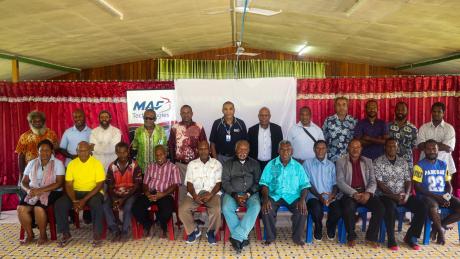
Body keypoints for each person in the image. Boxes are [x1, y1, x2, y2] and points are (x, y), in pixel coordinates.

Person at [374, 138, 427, 250]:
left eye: (394, 146)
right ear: (385, 147)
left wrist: (407, 194)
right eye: (389, 146)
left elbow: (408, 180)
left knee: (422, 207)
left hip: (403, 195)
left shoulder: (403, 162)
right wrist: (394, 196)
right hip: (385, 196)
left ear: (397, 148)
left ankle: (410, 237)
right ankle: (392, 239)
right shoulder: (377, 162)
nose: (392, 148)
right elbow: (379, 183)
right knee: (390, 208)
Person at [54, 141, 105, 247]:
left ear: (90, 151)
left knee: (97, 204)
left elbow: (100, 185)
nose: (82, 153)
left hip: (93, 192)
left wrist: (83, 200)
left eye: (85, 150)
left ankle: (97, 234)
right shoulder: (72, 164)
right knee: (60, 204)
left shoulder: (97, 163)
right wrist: (74, 201)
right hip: (75, 192)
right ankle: (66, 234)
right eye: (80, 151)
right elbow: (68, 184)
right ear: (76, 151)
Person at [260, 140, 310, 246]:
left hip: (293, 196)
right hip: (274, 195)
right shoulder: (271, 164)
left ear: (292, 151)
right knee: (266, 209)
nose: (285, 152)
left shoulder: (298, 166)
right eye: (282, 149)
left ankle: (297, 238)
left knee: (302, 210)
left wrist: (302, 200)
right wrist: (265, 199)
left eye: (288, 150)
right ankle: (270, 237)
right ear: (278, 151)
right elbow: (264, 184)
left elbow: (305, 185)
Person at [336, 139, 384, 248]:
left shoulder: (368, 161)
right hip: (349, 193)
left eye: (358, 147)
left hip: (365, 192)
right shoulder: (341, 161)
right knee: (348, 208)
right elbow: (340, 182)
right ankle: (351, 236)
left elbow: (373, 181)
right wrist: (354, 193)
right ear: (348, 148)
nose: (355, 149)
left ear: (361, 149)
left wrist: (368, 193)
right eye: (352, 147)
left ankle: (371, 237)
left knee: (380, 208)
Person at [17, 139, 64, 245]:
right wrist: (28, 190)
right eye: (41, 150)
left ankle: (43, 235)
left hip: (52, 191)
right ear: (37, 152)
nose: (44, 153)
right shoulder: (32, 163)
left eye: (47, 150)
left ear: (52, 151)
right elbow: (23, 182)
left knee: (38, 208)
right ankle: (30, 235)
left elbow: (59, 183)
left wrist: (40, 190)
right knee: (21, 208)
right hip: (33, 190)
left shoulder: (57, 163)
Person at [413, 139, 460, 245]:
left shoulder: (443, 164)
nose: (431, 151)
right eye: (428, 149)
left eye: (434, 148)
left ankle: (437, 227)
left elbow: (449, 185)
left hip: (442, 196)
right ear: (424, 150)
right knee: (433, 206)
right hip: (426, 196)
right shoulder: (419, 166)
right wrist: (437, 197)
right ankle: (441, 233)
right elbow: (417, 187)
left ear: (438, 150)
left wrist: (447, 197)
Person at [131, 145, 181, 238]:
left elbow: (175, 185)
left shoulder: (173, 168)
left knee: (167, 210)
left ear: (166, 154)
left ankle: (162, 225)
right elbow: (145, 183)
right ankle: (148, 224)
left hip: (165, 194)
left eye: (161, 155)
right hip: (150, 193)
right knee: (136, 208)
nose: (159, 158)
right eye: (157, 155)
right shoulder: (150, 167)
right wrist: (147, 193)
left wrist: (163, 194)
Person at [179, 141, 222, 245]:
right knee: (182, 209)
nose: (203, 151)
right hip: (195, 193)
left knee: (216, 209)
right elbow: (189, 183)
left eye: (206, 148)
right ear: (197, 150)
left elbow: (218, 184)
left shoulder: (217, 164)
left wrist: (211, 194)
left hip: (211, 193)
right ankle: (194, 230)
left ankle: (211, 232)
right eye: (201, 149)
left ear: (210, 150)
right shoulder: (192, 164)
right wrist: (194, 196)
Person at [222, 140, 261, 253]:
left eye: (245, 149)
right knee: (225, 207)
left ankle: (237, 237)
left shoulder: (254, 163)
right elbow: (225, 182)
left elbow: (258, 182)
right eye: (240, 149)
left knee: (256, 206)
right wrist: (235, 195)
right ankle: (241, 237)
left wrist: (248, 194)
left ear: (249, 151)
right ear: (235, 150)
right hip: (232, 193)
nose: (243, 151)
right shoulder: (228, 163)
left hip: (251, 194)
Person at [103, 142, 142, 242]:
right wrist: (114, 199)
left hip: (131, 193)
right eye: (120, 153)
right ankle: (115, 230)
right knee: (105, 205)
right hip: (115, 194)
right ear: (116, 152)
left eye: (124, 152)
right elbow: (110, 185)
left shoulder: (134, 165)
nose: (122, 155)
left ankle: (124, 231)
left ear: (128, 151)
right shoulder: (112, 166)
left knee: (128, 206)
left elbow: (137, 186)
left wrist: (123, 199)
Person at [303, 140, 341, 241]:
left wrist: (332, 195)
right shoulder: (307, 163)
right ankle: (318, 227)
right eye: (318, 148)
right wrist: (319, 196)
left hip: (329, 196)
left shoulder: (331, 165)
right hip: (313, 195)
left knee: (338, 210)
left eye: (323, 148)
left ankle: (330, 226)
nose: (320, 150)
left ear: (326, 150)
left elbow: (335, 184)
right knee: (316, 209)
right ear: (314, 149)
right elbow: (307, 184)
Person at [168, 105, 207, 202]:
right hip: (180, 165)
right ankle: (182, 214)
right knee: (181, 190)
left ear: (192, 113)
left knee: (196, 188)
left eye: (188, 112)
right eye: (183, 112)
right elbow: (171, 146)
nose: (186, 115)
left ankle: (197, 215)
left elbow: (204, 145)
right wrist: (173, 164)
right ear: (180, 114)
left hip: (196, 165)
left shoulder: (199, 127)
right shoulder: (175, 127)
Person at [417, 102, 456, 179]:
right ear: (431, 112)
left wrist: (428, 144)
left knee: (445, 188)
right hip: (425, 165)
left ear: (443, 113)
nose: (436, 114)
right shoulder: (423, 128)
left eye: (439, 112)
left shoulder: (449, 128)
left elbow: (448, 148)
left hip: (445, 164)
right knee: (424, 188)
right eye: (434, 111)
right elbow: (421, 146)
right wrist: (441, 144)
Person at [16, 110, 58, 181]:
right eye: (34, 121)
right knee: (29, 190)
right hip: (30, 170)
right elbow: (21, 156)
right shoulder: (24, 136)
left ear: (43, 121)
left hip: (48, 170)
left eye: (39, 121)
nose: (37, 123)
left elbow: (55, 150)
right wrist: (22, 173)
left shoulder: (51, 134)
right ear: (30, 122)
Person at [131, 109, 167, 173]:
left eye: (151, 118)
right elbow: (134, 148)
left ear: (155, 119)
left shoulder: (161, 131)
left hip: (157, 168)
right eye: (146, 118)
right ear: (143, 118)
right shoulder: (138, 131)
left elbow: (164, 148)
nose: (148, 120)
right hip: (141, 168)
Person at [322, 97, 357, 162]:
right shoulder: (328, 120)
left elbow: (356, 140)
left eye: (344, 105)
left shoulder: (353, 121)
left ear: (347, 107)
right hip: (332, 158)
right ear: (335, 107)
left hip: (348, 158)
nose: (341, 107)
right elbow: (323, 139)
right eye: (338, 105)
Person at [387, 102, 417, 169]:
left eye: (403, 109)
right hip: (390, 162)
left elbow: (413, 146)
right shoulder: (387, 126)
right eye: (398, 109)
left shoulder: (413, 129)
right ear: (395, 111)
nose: (400, 111)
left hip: (407, 162)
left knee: (408, 179)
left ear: (407, 111)